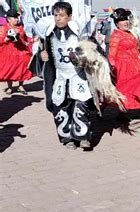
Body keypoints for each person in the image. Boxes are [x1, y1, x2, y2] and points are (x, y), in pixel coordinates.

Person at [39, 2, 93, 150]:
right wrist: (41, 55)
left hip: (78, 76)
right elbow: (46, 54)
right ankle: (67, 138)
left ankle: (83, 137)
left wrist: (84, 56)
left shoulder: (79, 32)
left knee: (81, 105)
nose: (58, 18)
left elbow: (93, 51)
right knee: (61, 107)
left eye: (62, 15)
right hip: (60, 77)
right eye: (56, 15)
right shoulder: (49, 34)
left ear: (69, 16)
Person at [108, 8, 140, 109]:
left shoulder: (130, 33)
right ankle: (120, 110)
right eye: (122, 20)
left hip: (137, 65)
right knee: (124, 90)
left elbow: (134, 50)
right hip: (124, 68)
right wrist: (114, 70)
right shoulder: (116, 36)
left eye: (126, 19)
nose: (126, 22)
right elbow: (111, 56)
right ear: (117, 23)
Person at [0, 9, 33, 95]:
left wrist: (31, 40)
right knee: (9, 68)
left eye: (17, 17)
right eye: (14, 18)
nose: (17, 19)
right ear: (9, 19)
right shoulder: (4, 28)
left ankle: (20, 86)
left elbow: (25, 38)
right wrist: (6, 39)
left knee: (23, 67)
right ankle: (10, 87)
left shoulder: (20, 26)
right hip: (8, 53)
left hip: (21, 51)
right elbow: (0, 40)